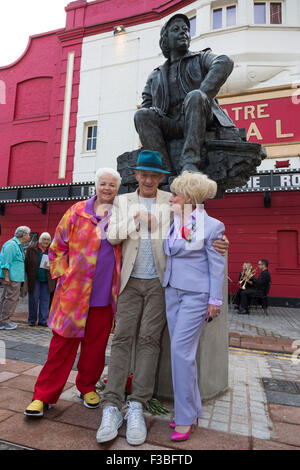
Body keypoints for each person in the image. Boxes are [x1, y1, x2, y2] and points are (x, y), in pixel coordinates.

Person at [96, 150, 228, 446]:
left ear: (160, 178)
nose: (147, 179)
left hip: (163, 284)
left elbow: (203, 232)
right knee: (122, 340)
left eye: (153, 175)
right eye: (142, 174)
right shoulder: (122, 201)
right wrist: (136, 220)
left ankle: (139, 406)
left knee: (152, 343)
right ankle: (112, 404)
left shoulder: (173, 201)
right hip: (137, 284)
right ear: (136, 175)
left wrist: (221, 242)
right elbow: (111, 235)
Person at [24, 168, 122, 417]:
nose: (107, 188)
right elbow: (58, 247)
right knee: (61, 346)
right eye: (103, 184)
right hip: (73, 295)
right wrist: (63, 276)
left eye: (112, 185)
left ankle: (87, 386)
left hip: (104, 296)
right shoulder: (77, 212)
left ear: (117, 188)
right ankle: (43, 395)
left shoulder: (122, 215)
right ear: (96, 185)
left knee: (95, 348)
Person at [163, 171, 226, 441]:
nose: (171, 199)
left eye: (175, 194)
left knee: (180, 353)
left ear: (188, 198)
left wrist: (214, 300)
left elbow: (217, 265)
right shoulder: (173, 222)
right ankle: (192, 409)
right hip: (172, 292)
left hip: (195, 297)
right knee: (183, 355)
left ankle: (185, 417)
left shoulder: (212, 226)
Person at [134, 13, 237, 173]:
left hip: (200, 116)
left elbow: (225, 62)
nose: (184, 32)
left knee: (195, 97)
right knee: (141, 115)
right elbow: (146, 108)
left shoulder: (200, 57)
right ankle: (163, 170)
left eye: (186, 29)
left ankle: (190, 163)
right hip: (172, 124)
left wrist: (202, 95)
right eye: (176, 29)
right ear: (165, 39)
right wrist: (153, 112)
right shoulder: (155, 75)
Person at [0, 226, 31, 330]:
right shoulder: (11, 245)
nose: (29, 236)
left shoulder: (18, 245)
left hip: (15, 278)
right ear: (23, 235)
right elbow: (5, 263)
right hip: (12, 278)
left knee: (6, 298)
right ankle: (4, 321)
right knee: (11, 299)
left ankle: (2, 319)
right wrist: (7, 277)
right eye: (28, 234)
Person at [25, 232, 56, 327]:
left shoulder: (53, 250)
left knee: (45, 300)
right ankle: (32, 320)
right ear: (40, 240)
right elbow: (26, 263)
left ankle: (43, 320)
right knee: (33, 299)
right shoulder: (32, 249)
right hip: (34, 279)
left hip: (47, 280)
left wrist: (51, 267)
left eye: (48, 240)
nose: (46, 241)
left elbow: (57, 263)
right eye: (44, 239)